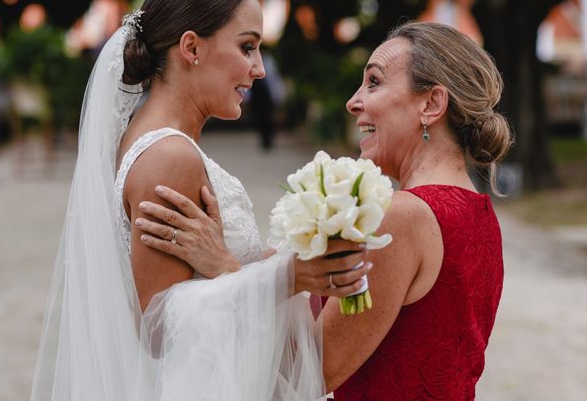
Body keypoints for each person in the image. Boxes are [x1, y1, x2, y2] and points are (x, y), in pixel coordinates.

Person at [30, 0, 368, 401]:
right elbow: (156, 328)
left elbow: (202, 278)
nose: (260, 69)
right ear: (191, 47)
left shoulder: (155, 141)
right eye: (247, 47)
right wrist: (288, 274)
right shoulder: (169, 158)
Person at [138, 21, 513, 399]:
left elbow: (306, 373)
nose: (353, 101)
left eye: (375, 82)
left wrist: (224, 268)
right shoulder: (479, 212)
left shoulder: (402, 217)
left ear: (431, 104)